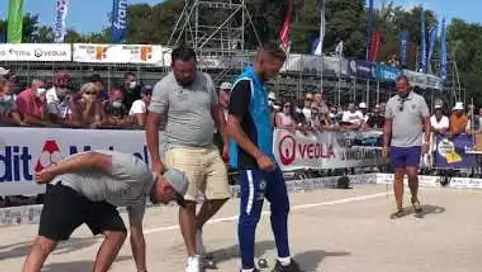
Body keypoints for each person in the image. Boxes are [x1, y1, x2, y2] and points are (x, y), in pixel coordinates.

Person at [22, 150, 188, 272]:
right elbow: (93, 158)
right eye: (172, 199)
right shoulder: (138, 171)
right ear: (166, 188)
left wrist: (142, 270)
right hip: (69, 185)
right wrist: (52, 171)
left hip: (94, 198)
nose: (168, 203)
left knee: (117, 233)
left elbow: (137, 236)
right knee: (45, 244)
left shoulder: (140, 199)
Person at [145, 46, 230, 272]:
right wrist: (155, 159)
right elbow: (151, 122)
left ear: (196, 65)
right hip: (179, 149)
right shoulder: (164, 87)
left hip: (209, 148)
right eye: (181, 71)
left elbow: (218, 114)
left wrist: (227, 143)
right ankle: (193, 256)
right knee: (188, 202)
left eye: (190, 70)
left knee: (221, 195)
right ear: (173, 66)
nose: (186, 75)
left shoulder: (206, 80)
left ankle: (197, 228)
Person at [226, 43, 302, 272]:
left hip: (268, 161)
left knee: (281, 206)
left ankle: (284, 261)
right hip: (253, 164)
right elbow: (232, 126)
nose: (276, 73)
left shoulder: (260, 85)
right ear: (261, 61)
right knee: (250, 216)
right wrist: (258, 155)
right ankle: (247, 269)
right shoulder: (244, 84)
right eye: (274, 69)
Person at [382, 75, 431, 219]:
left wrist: (426, 142)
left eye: (402, 87)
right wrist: (385, 145)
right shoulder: (391, 102)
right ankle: (399, 208)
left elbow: (427, 123)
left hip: (414, 144)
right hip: (396, 144)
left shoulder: (419, 100)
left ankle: (414, 198)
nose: (400, 90)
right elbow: (387, 125)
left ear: (408, 86)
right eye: (398, 87)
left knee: (412, 173)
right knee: (398, 175)